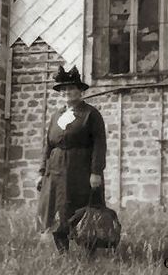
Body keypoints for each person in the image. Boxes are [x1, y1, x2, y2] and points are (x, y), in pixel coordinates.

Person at [37, 65, 107, 253]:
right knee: (57, 210)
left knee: (82, 209)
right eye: (63, 89)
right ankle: (63, 253)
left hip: (80, 170)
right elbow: (48, 145)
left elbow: (99, 144)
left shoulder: (90, 114)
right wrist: (42, 171)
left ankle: (88, 252)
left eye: (71, 89)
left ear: (80, 91)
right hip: (56, 170)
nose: (67, 92)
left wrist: (96, 172)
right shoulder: (56, 116)